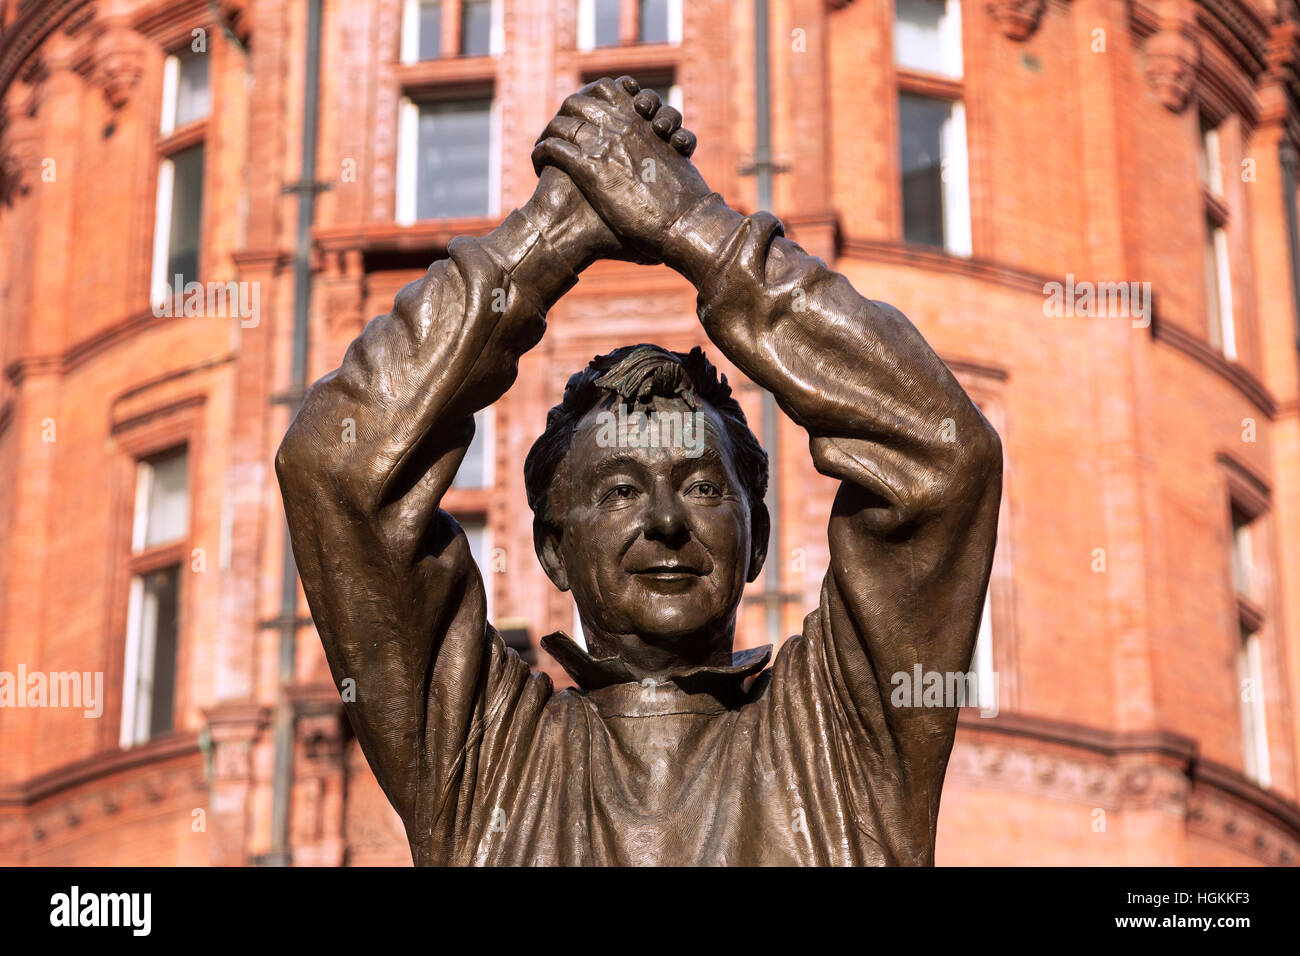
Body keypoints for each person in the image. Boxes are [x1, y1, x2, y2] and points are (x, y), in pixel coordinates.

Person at [276, 76, 1002, 865]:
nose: (665, 520)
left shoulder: (842, 744)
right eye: (619, 489)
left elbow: (942, 456)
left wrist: (693, 227)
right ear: (554, 548)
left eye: (701, 486)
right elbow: (338, 467)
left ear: (756, 541)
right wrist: (549, 236)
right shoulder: (484, 767)